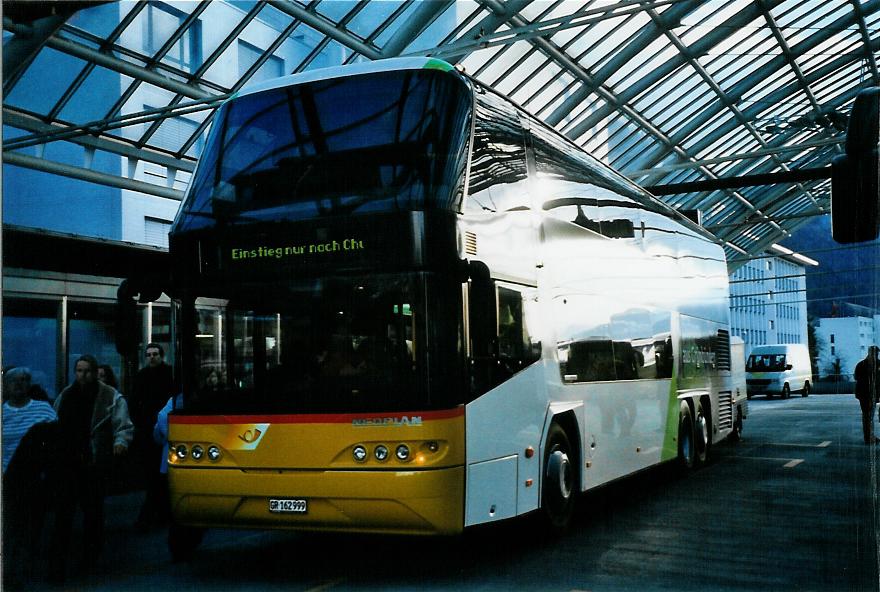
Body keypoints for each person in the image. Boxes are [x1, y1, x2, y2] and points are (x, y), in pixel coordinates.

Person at [49, 354, 133, 582]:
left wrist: (120, 442)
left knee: (92, 512)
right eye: (79, 371)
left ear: (95, 372)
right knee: (64, 514)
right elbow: (54, 421)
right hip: (68, 461)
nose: (83, 375)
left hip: (93, 461)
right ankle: (57, 565)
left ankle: (89, 558)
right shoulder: (67, 395)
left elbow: (123, 424)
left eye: (87, 371)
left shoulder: (109, 396)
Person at [2, 368, 59, 584]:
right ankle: (9, 569)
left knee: (31, 525)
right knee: (10, 526)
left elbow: (55, 439)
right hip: (6, 477)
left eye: (23, 380)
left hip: (34, 476)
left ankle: (25, 567)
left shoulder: (43, 409)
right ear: (6, 385)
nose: (19, 384)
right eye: (14, 381)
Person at [130, 343, 175, 531]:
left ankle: (152, 514)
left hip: (159, 428)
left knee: (157, 475)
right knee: (156, 474)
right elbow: (134, 403)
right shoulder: (145, 376)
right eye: (149, 355)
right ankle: (160, 512)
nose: (152, 357)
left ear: (161, 355)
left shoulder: (166, 374)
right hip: (151, 429)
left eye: (155, 354)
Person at [854, 345, 880, 444]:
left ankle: (868, 436)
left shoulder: (861, 364)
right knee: (869, 416)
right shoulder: (877, 364)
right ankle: (869, 437)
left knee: (867, 416)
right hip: (869, 394)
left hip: (863, 394)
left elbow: (856, 377)